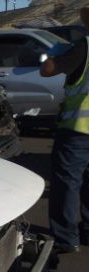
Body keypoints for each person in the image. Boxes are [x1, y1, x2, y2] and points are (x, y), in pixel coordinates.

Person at [40, 7, 89, 253]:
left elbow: (47, 70)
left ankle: (66, 238)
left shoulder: (84, 47)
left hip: (78, 130)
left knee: (67, 183)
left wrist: (50, 56)